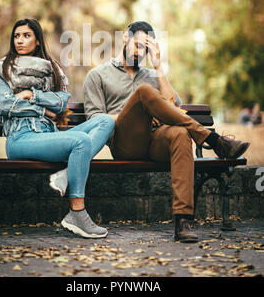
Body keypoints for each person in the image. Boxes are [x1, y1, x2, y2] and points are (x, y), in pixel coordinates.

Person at [83, 21, 250, 243]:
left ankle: (183, 221)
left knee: (180, 134)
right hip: (125, 143)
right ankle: (213, 139)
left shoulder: (153, 76)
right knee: (144, 93)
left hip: (154, 142)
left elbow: (173, 108)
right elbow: (95, 119)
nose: (139, 51)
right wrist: (139, 112)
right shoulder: (98, 75)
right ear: (125, 38)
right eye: (137, 44)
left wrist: (159, 66)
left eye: (145, 48)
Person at [0, 18, 115, 239]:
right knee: (81, 141)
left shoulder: (53, 70)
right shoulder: (4, 69)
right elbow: (6, 105)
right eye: (16, 36)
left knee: (106, 121)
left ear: (38, 41)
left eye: (26, 35)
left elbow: (61, 103)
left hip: (49, 136)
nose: (19, 40)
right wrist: (44, 111)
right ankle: (77, 213)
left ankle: (66, 175)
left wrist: (32, 95)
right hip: (21, 139)